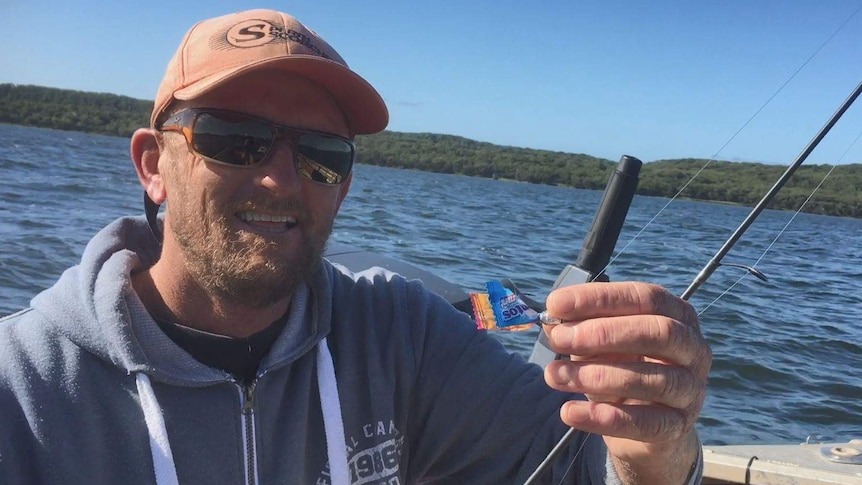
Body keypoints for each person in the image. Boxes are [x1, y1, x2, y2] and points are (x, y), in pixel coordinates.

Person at [0, 9, 710, 485]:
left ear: (342, 186)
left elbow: (574, 463)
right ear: (153, 165)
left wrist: (655, 446)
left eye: (321, 156)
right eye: (233, 139)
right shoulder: (24, 391)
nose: (281, 178)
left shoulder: (398, 335)